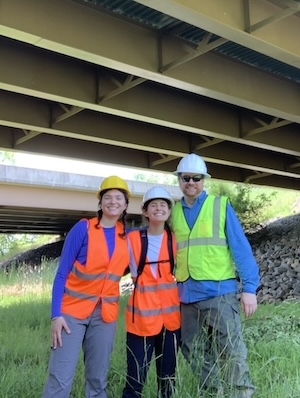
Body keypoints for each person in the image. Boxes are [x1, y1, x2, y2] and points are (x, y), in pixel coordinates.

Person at [171, 153, 260, 398]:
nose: (191, 182)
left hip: (220, 293)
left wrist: (249, 289)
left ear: (204, 180)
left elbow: (240, 248)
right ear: (179, 179)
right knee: (193, 349)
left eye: (196, 178)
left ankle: (241, 393)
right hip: (187, 296)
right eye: (186, 177)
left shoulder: (220, 206)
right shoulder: (173, 212)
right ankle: (213, 393)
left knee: (231, 349)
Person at [42, 176, 131, 398]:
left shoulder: (127, 236)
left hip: (105, 316)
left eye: (119, 197)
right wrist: (56, 316)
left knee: (98, 380)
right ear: (100, 203)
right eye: (107, 197)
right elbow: (62, 273)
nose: (113, 201)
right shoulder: (83, 228)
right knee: (60, 378)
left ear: (126, 204)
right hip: (71, 314)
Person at [122, 186, 181, 398]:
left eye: (163, 205)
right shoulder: (132, 240)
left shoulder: (176, 240)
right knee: (135, 381)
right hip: (141, 322)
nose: (158, 208)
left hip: (170, 321)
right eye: (153, 205)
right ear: (145, 212)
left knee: (167, 380)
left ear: (169, 210)